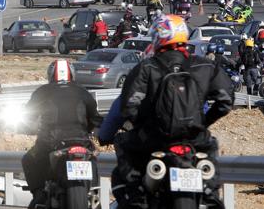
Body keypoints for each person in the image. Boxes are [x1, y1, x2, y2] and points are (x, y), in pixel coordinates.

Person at [113, 15, 233, 208]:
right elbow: (226, 101)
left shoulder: (146, 67)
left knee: (122, 144)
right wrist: (203, 122)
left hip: (155, 139)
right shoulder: (204, 65)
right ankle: (210, 193)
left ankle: (137, 197)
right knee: (211, 153)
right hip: (195, 138)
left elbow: (128, 106)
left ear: (158, 37)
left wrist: (145, 124)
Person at [22, 60, 103, 207]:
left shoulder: (42, 91)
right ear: (72, 74)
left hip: (50, 143)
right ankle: (94, 192)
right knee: (93, 156)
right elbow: (95, 118)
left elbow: (27, 117)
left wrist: (26, 128)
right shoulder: (83, 91)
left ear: (51, 75)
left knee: (27, 159)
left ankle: (40, 194)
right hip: (82, 142)